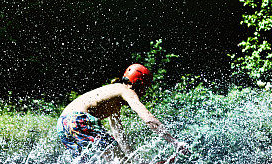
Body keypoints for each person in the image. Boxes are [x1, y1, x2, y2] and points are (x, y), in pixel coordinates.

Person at [57, 64, 188, 157]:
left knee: (92, 163)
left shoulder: (113, 97)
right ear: (138, 84)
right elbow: (148, 119)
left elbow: (119, 135)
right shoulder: (126, 91)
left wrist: (133, 157)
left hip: (62, 124)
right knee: (121, 162)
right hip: (78, 120)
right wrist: (174, 142)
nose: (144, 92)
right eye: (145, 88)